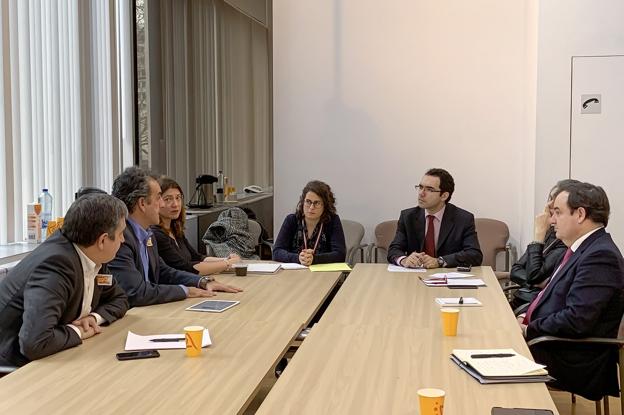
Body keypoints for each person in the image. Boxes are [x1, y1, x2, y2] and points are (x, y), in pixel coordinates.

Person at [518, 181, 624, 401]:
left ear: (580, 214)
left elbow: (576, 319)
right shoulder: (580, 248)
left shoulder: (600, 256)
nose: (551, 220)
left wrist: (528, 329)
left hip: (573, 356)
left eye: (557, 212)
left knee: (490, 346)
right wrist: (525, 314)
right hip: (553, 341)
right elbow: (549, 296)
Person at [0, 194, 129, 367]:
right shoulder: (56, 266)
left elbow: (120, 299)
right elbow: (34, 343)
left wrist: (94, 318)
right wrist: (78, 331)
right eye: (121, 234)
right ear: (103, 240)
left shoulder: (93, 255)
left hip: (55, 356)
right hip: (15, 366)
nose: (123, 239)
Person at [108, 167, 241, 307]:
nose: (161, 204)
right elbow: (136, 293)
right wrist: (184, 291)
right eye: (159, 197)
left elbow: (164, 271)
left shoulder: (147, 234)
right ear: (142, 203)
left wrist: (202, 281)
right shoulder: (119, 239)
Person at [387, 168, 482, 268]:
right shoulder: (407, 217)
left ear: (444, 196)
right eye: (420, 187)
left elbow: (474, 255)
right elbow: (394, 249)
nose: (421, 193)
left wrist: (440, 261)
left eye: (429, 189)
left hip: (447, 278)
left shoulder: (463, 219)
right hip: (414, 276)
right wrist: (404, 260)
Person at [508, 179, 577, 309]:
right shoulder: (551, 233)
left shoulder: (566, 241)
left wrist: (538, 235)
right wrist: (537, 283)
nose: (551, 219)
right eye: (551, 212)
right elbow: (515, 270)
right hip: (524, 297)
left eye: (557, 212)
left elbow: (534, 275)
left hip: (535, 303)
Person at [152, 176, 240, 275]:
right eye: (168, 199)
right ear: (157, 202)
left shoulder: (174, 229)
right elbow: (185, 268)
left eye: (178, 198)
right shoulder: (156, 234)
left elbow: (197, 257)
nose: (175, 204)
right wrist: (226, 264)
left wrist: (226, 259)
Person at [273, 180, 346, 265]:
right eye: (308, 201)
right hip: (294, 272)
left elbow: (340, 255)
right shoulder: (292, 220)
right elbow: (276, 252)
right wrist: (298, 258)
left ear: (325, 205)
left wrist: (314, 259)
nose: (311, 207)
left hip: (323, 273)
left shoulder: (332, 221)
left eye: (317, 203)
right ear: (302, 202)